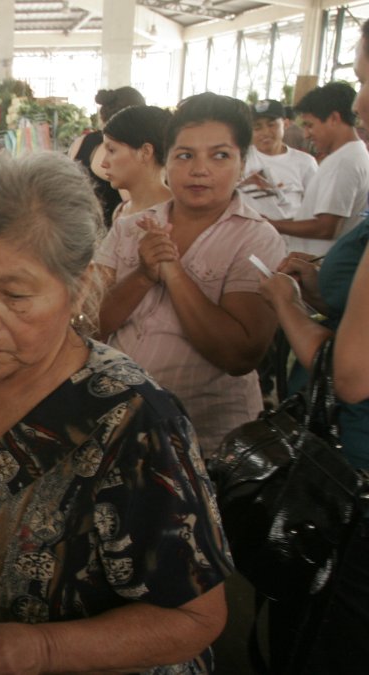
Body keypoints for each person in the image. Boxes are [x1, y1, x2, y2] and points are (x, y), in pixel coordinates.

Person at [0, 151, 232, 675]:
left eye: (15, 294)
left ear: (79, 288)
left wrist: (46, 649)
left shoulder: (135, 423)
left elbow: (196, 617)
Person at [257, 23, 369, 673]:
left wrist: (285, 306)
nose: (359, 102)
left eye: (364, 79)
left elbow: (351, 374)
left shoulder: (340, 161)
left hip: (353, 473)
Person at [95, 93, 286, 455]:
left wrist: (173, 271)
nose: (200, 170)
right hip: (119, 426)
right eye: (184, 155)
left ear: (242, 164)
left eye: (220, 155)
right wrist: (142, 276)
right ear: (165, 160)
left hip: (206, 444)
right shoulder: (130, 227)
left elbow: (238, 356)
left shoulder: (256, 239)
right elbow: (91, 325)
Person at [268, 82, 369, 256]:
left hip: (316, 264)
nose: (306, 134)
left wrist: (270, 224)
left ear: (334, 119)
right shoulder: (355, 154)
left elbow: (326, 228)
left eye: (310, 125)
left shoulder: (343, 161)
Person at [68, 87, 146, 228]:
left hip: (77, 227)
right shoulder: (123, 150)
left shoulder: (82, 141)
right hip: (108, 233)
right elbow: (132, 206)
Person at [238, 99, 318, 222]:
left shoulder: (305, 163)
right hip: (247, 229)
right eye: (257, 127)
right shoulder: (241, 157)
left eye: (271, 125)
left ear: (285, 124)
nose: (265, 132)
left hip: (290, 231)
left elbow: (315, 207)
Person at [98, 104, 172, 221]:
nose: (103, 163)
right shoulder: (121, 211)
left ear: (145, 152)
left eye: (112, 150)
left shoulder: (179, 213)